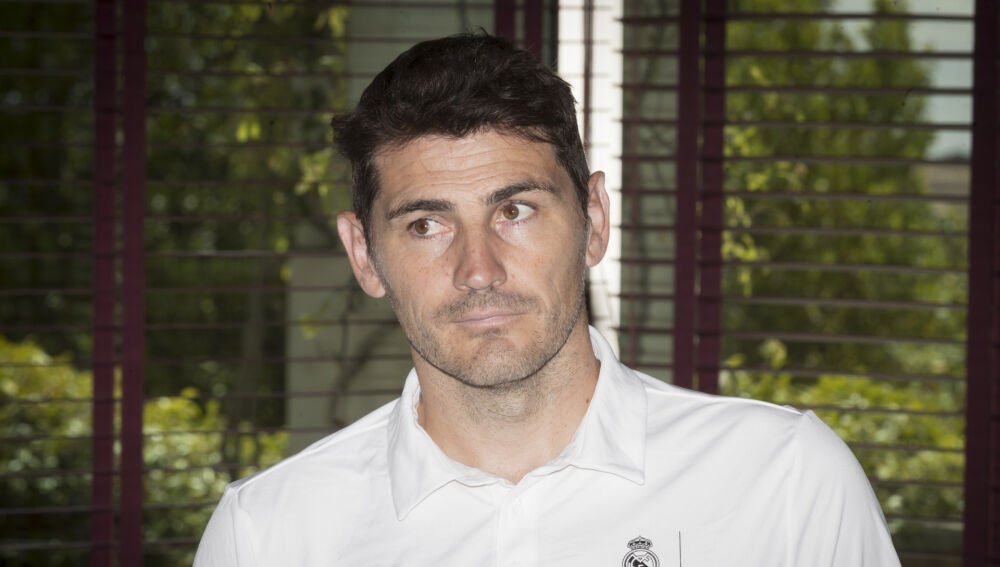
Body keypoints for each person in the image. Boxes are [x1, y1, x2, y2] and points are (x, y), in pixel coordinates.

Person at [194, 33, 900, 566]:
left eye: (516, 211)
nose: (478, 270)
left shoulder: (784, 481)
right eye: (426, 224)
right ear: (363, 255)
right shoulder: (269, 535)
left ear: (594, 219)